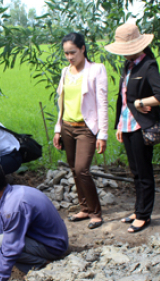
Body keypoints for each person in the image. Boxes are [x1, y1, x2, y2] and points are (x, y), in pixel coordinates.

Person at [105, 22, 160, 233]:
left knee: (144, 172)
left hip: (141, 127)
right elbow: (123, 99)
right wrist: (118, 125)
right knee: (134, 171)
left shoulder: (148, 66)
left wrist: (142, 103)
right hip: (127, 125)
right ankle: (137, 210)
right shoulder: (128, 66)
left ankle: (144, 215)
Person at [52, 32, 108, 229]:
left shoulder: (96, 70)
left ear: (83, 48)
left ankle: (96, 213)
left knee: (83, 169)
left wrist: (103, 133)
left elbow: (102, 103)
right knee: (74, 169)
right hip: (67, 126)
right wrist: (58, 129)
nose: (69, 57)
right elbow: (62, 103)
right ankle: (84, 208)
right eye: (66, 53)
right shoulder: (65, 72)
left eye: (73, 52)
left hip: (86, 128)